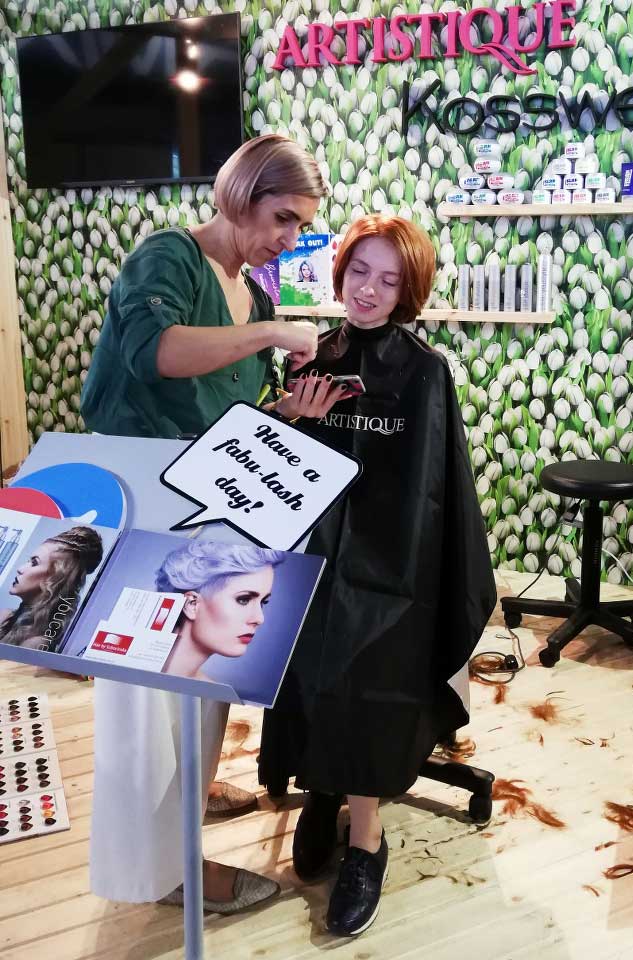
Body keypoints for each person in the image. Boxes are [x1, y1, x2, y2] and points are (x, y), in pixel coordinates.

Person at [86, 134, 347, 912]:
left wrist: (289, 410)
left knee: (201, 678)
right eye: (282, 217)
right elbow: (159, 353)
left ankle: (189, 797)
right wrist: (270, 336)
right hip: (144, 510)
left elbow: (228, 419)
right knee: (145, 696)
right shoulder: (167, 259)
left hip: (207, 512)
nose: (289, 240)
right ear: (241, 193)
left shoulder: (252, 294)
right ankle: (163, 870)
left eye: (301, 225)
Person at [258, 215, 497, 937]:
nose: (369, 290)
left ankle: (366, 841)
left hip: (392, 567)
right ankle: (321, 792)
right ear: (340, 272)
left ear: (408, 291)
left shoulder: (426, 371)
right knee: (305, 671)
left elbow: (433, 488)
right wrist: (291, 416)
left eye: (389, 280)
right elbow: (275, 468)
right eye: (359, 271)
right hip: (312, 554)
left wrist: (402, 575)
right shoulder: (310, 356)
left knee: (367, 675)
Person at [156, 541, 283, 681]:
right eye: (243, 600)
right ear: (191, 604)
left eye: (263, 602)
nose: (259, 618)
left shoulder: (209, 690)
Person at [0, 526, 104, 650]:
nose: (20, 569)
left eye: (34, 563)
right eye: (29, 561)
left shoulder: (36, 644)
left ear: (55, 579)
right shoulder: (4, 617)